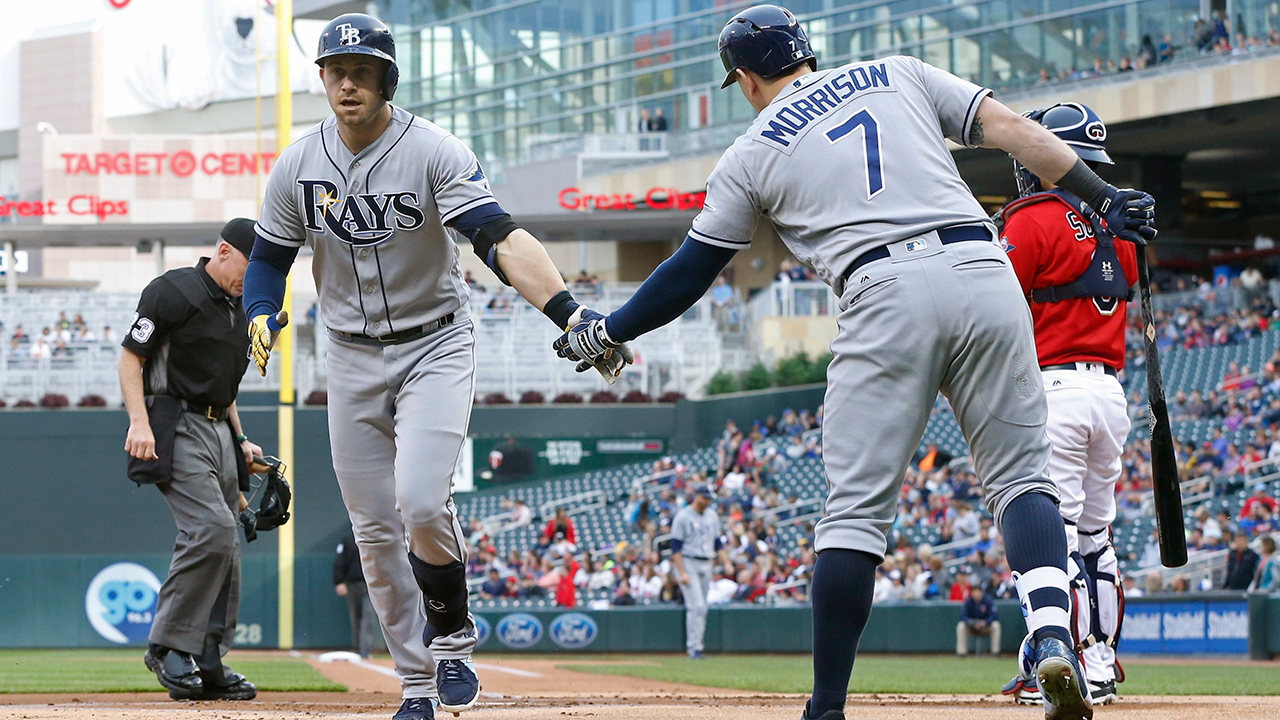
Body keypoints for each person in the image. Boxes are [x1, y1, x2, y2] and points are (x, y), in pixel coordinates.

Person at [552, 6, 1155, 719]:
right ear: (807, 53)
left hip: (883, 288)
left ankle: (828, 706)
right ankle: (1054, 633)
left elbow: (691, 271)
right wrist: (1105, 197)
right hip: (982, 266)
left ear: (745, 78)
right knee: (1023, 479)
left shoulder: (751, 150)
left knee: (854, 517)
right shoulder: (896, 71)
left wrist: (610, 328)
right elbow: (1019, 133)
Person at [241, 14, 629, 720]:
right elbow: (268, 257)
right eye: (336, 69)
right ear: (322, 78)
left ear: (387, 78)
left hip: (435, 345)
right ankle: (416, 685)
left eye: (362, 69)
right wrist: (260, 309)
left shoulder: (433, 151)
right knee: (373, 531)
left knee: (420, 501)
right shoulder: (297, 163)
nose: (348, 81)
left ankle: (451, 639)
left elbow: (497, 236)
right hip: (349, 355)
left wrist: (569, 311)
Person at [997, 102, 1137, 708]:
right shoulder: (1124, 225)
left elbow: (996, 302)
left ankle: (1068, 661)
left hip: (1052, 389)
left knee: (1052, 537)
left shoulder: (1030, 218)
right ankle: (1101, 658)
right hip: (1110, 391)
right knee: (1095, 536)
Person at [120, 219, 263, 702]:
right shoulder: (172, 291)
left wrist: (242, 439)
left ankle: (207, 658)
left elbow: (227, 383)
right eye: (249, 261)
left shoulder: (243, 307)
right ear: (224, 251)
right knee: (211, 530)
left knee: (228, 544)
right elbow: (130, 359)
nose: (253, 273)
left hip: (219, 427)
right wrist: (138, 422)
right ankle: (167, 645)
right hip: (173, 420)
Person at [670, 485, 730, 659]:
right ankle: (694, 648)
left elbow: (718, 543)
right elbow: (675, 548)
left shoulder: (712, 515)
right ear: (695, 496)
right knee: (696, 606)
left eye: (708, 498)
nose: (707, 501)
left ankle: (697, 647)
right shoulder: (683, 516)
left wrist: (726, 562)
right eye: (704, 497)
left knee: (702, 607)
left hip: (707, 562)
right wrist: (681, 572)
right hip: (688, 561)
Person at [334, 527, 379, 660]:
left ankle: (365, 651)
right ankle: (359, 649)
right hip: (353, 583)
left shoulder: (375, 538)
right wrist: (339, 581)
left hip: (370, 584)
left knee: (368, 616)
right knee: (356, 617)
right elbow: (339, 561)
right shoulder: (348, 539)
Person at [957, 585, 1002, 657]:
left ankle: (995, 652)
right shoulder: (969, 601)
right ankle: (962, 653)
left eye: (977, 591)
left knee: (996, 625)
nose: (975, 593)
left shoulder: (987, 600)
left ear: (981, 592)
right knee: (961, 625)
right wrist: (972, 623)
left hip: (985, 626)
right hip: (972, 626)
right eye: (973, 591)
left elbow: (994, 616)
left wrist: (985, 623)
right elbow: (963, 616)